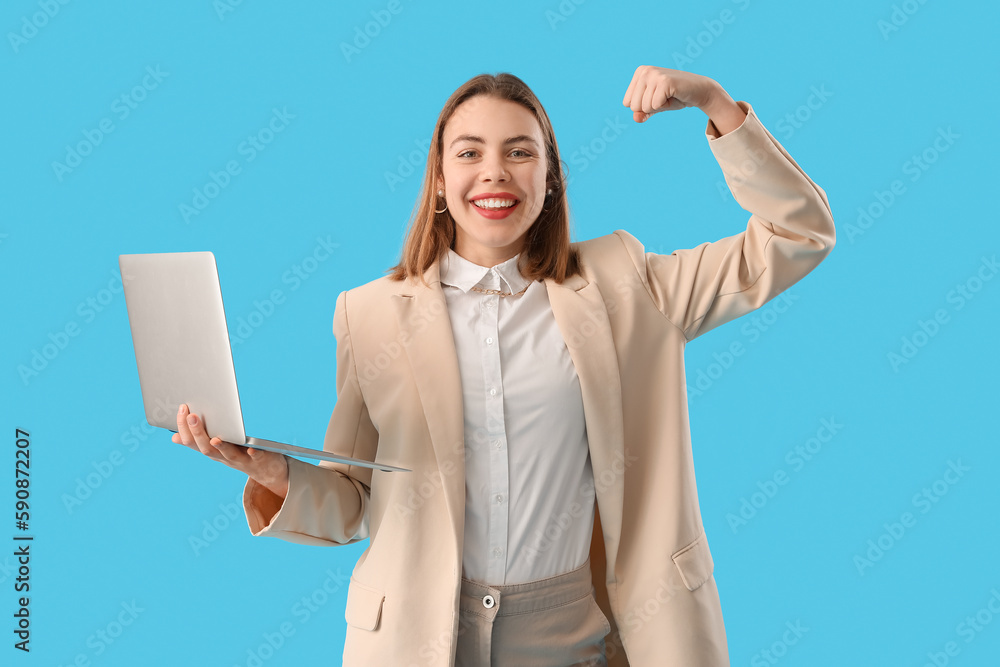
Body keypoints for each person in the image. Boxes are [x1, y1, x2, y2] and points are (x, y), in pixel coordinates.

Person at [172, 66, 835, 666]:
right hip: (417, 641)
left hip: (571, 641)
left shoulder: (628, 284)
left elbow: (797, 235)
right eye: (470, 153)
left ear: (549, 182)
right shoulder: (368, 313)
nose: (495, 172)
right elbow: (354, 501)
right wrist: (272, 472)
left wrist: (712, 103)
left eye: (521, 152)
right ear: (439, 179)